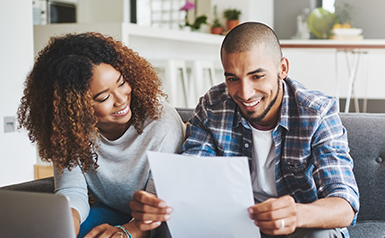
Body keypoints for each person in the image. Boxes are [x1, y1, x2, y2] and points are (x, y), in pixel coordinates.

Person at [129, 22, 360, 238]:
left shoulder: (317, 113)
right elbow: (195, 169)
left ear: (282, 68)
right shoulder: (214, 105)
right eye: (233, 79)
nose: (245, 93)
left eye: (256, 76)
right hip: (235, 226)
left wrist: (297, 214)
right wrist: (157, 204)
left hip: (297, 227)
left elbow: (344, 204)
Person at [17, 32, 185, 238]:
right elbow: (72, 189)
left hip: (154, 220)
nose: (121, 99)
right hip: (110, 211)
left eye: (122, 83)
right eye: (103, 97)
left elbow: (156, 205)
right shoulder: (69, 130)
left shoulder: (161, 122)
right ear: (75, 107)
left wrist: (126, 232)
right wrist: (69, 220)